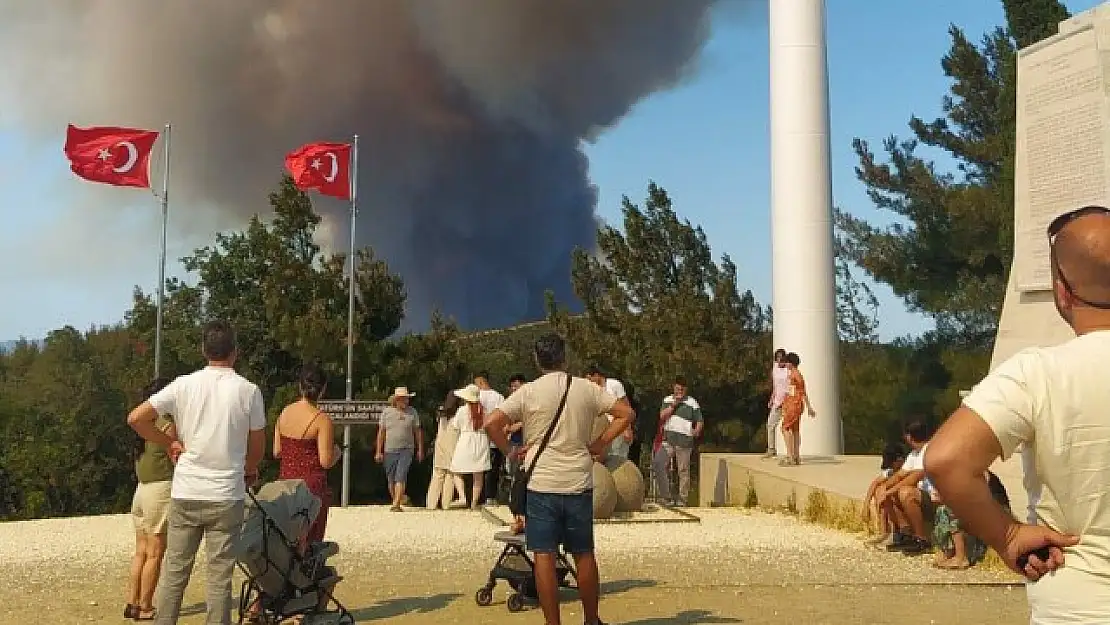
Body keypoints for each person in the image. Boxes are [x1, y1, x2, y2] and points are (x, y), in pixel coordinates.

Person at [925, 206, 1110, 621]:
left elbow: (946, 459)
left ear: (1062, 290)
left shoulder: (1036, 373)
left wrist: (1007, 535)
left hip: (1076, 606)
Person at [485, 333, 635, 625]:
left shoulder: (528, 391)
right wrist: (602, 442)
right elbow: (626, 413)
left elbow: (492, 423)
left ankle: (553, 622)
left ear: (537, 359)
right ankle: (591, 619)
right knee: (583, 553)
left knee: (543, 554)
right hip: (578, 480)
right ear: (565, 358)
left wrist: (511, 451)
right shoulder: (585, 388)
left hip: (542, 483)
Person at [127, 319, 267, 625]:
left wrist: (170, 443)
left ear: (203, 350)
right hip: (226, 494)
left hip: (186, 490)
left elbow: (136, 418)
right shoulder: (249, 391)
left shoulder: (182, 385)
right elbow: (257, 447)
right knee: (219, 579)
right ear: (235, 352)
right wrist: (250, 468)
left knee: (175, 573)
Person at [124, 377, 176, 622]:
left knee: (141, 552)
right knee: (155, 553)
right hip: (160, 489)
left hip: (141, 491)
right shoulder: (166, 424)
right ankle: (145, 605)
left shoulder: (143, 425)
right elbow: (177, 457)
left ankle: (132, 601)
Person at [274, 363, 340, 542]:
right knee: (309, 542)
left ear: (300, 385)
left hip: (285, 485)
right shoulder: (321, 419)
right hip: (311, 488)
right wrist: (337, 453)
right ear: (323, 389)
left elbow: (277, 451)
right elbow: (325, 461)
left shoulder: (285, 412)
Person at [875, 419, 933, 555]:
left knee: (906, 492)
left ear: (909, 436)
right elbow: (900, 475)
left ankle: (921, 539)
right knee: (887, 490)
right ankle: (905, 533)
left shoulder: (929, 451)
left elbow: (915, 477)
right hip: (922, 496)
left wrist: (890, 491)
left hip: (933, 497)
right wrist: (885, 487)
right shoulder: (913, 455)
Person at [375, 386, 424, 512]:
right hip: (389, 450)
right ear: (396, 400)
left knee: (400, 476)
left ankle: (396, 504)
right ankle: (398, 499)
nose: (406, 401)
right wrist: (378, 451)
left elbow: (417, 431)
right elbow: (381, 432)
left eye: (407, 399)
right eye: (403, 399)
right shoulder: (387, 412)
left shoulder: (412, 412)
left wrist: (420, 449)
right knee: (391, 479)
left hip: (407, 449)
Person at [659, 376, 703, 506]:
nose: (680, 392)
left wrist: (697, 430)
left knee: (683, 470)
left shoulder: (692, 402)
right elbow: (662, 416)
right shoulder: (667, 400)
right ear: (674, 387)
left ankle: (682, 499)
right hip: (668, 439)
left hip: (684, 441)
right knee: (661, 465)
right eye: (678, 389)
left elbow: (699, 420)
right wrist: (674, 405)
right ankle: (666, 497)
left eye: (682, 390)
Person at [449, 384, 490, 508]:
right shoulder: (484, 410)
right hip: (481, 439)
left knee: (456, 470)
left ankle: (462, 497)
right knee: (478, 473)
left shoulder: (462, 410)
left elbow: (456, 425)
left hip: (466, 439)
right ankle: (474, 502)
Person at [426, 390, 468, 510]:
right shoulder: (459, 413)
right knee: (450, 475)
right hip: (453, 445)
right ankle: (446, 504)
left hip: (440, 445)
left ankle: (431, 504)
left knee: (437, 474)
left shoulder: (441, 412)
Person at [585, 365, 632, 465]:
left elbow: (625, 406)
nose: (589, 382)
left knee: (617, 458)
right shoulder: (593, 390)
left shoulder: (614, 384)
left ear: (597, 375)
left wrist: (627, 429)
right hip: (603, 431)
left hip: (617, 427)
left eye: (590, 379)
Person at [861, 443, 905, 546]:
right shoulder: (891, 471)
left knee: (885, 492)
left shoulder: (906, 469)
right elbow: (875, 482)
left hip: (903, 501)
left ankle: (895, 531)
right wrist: (866, 505)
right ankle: (884, 531)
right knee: (879, 490)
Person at [778, 352, 815, 466]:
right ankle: (796, 456)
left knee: (785, 428)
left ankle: (790, 456)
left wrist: (809, 407)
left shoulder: (796, 375)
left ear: (791, 363)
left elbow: (802, 391)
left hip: (794, 405)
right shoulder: (793, 375)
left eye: (787, 362)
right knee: (794, 430)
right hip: (793, 404)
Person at [474, 372, 506, 504]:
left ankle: (476, 497)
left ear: (480, 382)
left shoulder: (476, 396)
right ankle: (490, 496)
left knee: (477, 470)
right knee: (493, 469)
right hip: (495, 437)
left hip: (478, 437)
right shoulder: (499, 397)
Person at [764, 348, 789, 459]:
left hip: (787, 402)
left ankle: (791, 452)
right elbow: (776, 386)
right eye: (777, 358)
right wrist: (772, 399)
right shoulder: (775, 369)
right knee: (770, 424)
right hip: (777, 401)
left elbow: (790, 387)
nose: (779, 360)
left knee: (789, 428)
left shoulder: (788, 369)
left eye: (781, 358)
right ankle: (771, 449)